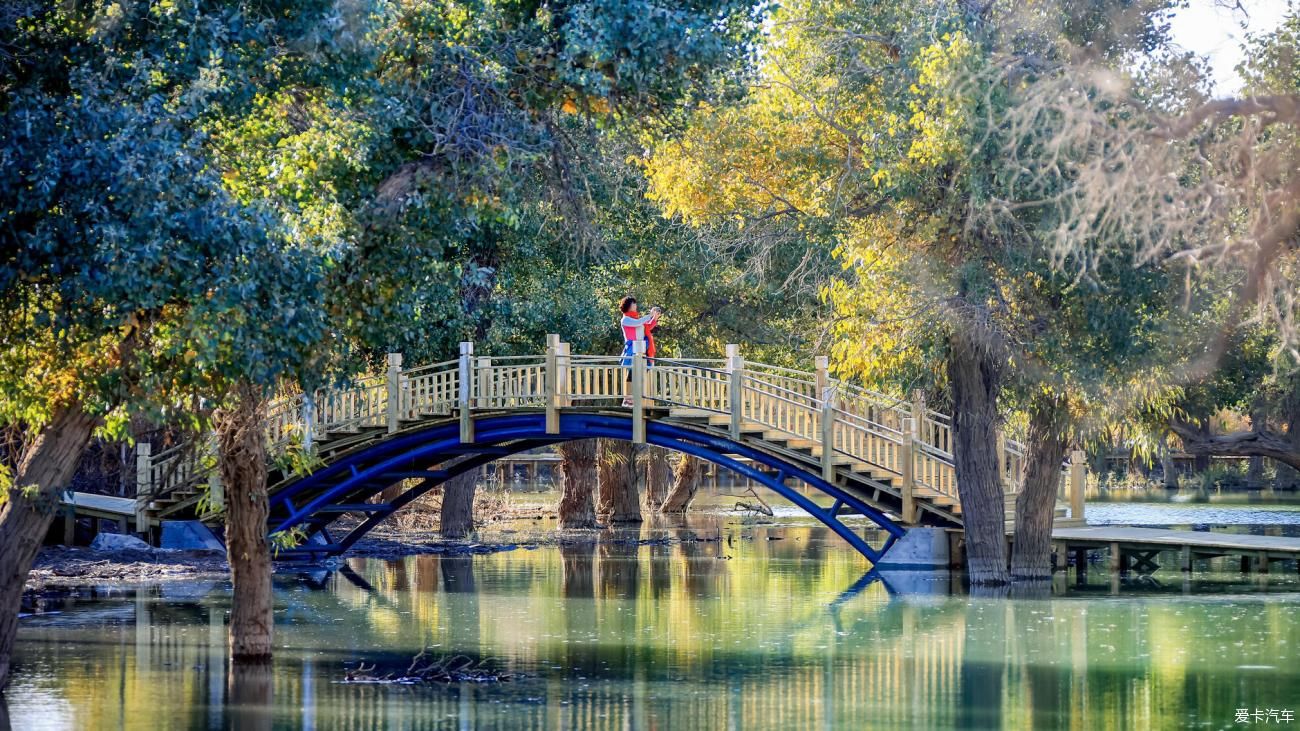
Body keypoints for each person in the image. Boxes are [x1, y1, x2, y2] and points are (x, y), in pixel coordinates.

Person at [618, 296, 659, 407]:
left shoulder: (636, 319)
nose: (635, 306)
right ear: (628, 306)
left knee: (640, 373)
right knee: (632, 373)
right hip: (632, 349)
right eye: (633, 304)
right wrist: (649, 315)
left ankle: (633, 398)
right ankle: (627, 399)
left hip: (642, 349)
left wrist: (654, 318)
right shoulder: (625, 319)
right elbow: (638, 323)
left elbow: (647, 326)